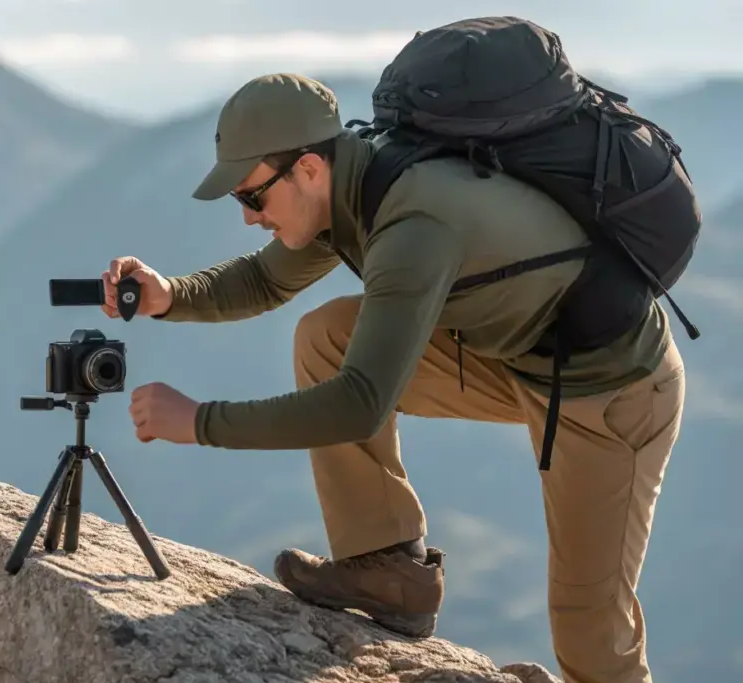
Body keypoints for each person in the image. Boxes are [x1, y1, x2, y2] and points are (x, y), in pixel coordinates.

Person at [101, 73, 685, 683]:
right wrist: (172, 295)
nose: (250, 220)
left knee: (590, 627)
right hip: (513, 356)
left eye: (252, 197)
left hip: (610, 391)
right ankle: (387, 574)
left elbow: (359, 405)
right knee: (327, 337)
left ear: (306, 169)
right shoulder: (353, 183)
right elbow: (265, 280)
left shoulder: (413, 222)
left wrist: (198, 422)